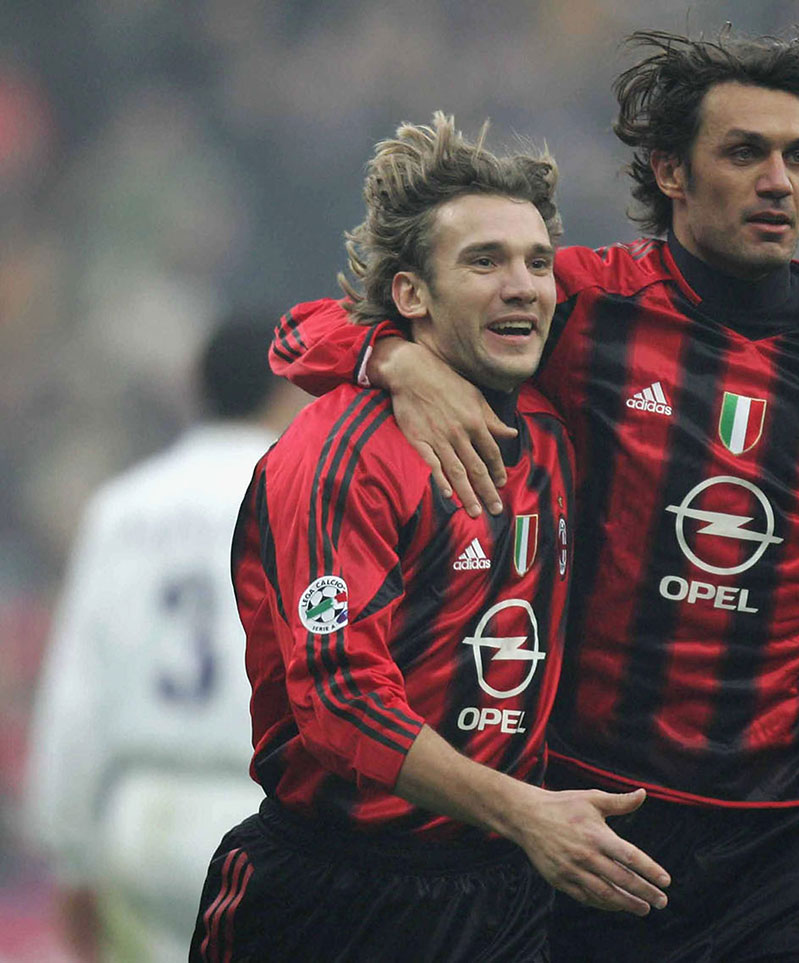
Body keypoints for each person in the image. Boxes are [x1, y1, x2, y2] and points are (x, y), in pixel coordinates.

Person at [267, 30, 799, 962]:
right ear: (670, 170)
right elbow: (300, 334)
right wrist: (394, 357)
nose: (779, 180)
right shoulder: (578, 298)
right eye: (745, 153)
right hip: (605, 799)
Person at [189, 114, 670, 963]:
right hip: (333, 893)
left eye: (534, 261)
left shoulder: (555, 434)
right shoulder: (342, 452)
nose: (521, 284)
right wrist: (526, 811)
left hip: (501, 889)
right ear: (411, 295)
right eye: (483, 261)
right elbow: (341, 704)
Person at [24, 316, 307, 962]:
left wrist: (69, 851)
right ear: (287, 389)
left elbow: (77, 692)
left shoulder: (123, 508)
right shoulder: (304, 499)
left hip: (142, 817)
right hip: (263, 813)